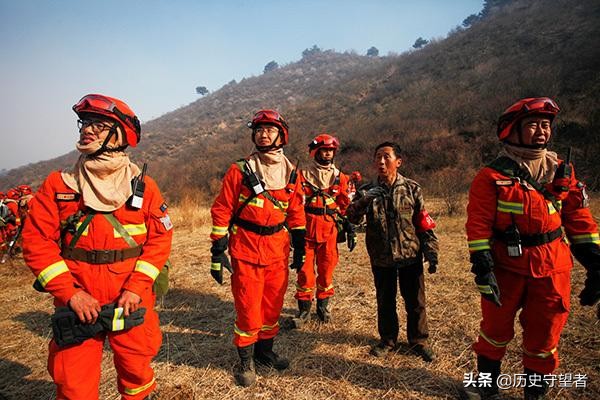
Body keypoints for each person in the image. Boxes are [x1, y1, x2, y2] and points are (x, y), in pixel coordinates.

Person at [22, 93, 173, 400]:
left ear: (120, 135)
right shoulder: (59, 186)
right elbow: (37, 242)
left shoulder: (143, 187)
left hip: (129, 298)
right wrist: (71, 294)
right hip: (78, 301)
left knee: (137, 372)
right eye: (85, 123)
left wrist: (137, 286)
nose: (87, 130)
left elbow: (160, 239)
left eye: (99, 125)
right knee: (73, 385)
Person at [464, 97, 600, 399]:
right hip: (506, 266)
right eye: (533, 125)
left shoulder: (563, 172)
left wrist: (595, 263)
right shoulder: (492, 176)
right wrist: (483, 266)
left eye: (546, 125)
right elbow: (478, 224)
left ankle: (534, 394)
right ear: (512, 130)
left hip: (553, 267)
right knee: (494, 331)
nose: (541, 131)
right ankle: (488, 389)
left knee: (545, 333)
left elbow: (578, 217)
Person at [209, 109, 306, 387]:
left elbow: (296, 211)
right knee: (249, 308)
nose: (263, 134)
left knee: (272, 305)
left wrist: (299, 246)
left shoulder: (291, 172)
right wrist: (218, 247)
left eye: (270, 130)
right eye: (259, 130)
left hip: (278, 249)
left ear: (281, 135)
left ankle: (265, 353)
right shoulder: (240, 170)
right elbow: (222, 208)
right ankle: (245, 361)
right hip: (246, 249)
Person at [346, 141, 439, 362]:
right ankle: (387, 340)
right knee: (385, 300)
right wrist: (364, 201)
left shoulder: (412, 189)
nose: (381, 161)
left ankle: (419, 341)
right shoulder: (366, 190)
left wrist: (431, 251)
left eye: (386, 156)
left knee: (415, 302)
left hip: (409, 255)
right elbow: (351, 217)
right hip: (381, 257)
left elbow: (423, 222)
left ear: (398, 162)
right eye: (378, 157)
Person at [292, 133, 353, 327]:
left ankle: (323, 307)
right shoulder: (302, 175)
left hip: (329, 231)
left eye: (330, 151)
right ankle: (303, 311)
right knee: (304, 273)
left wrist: (349, 225)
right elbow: (294, 204)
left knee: (326, 272)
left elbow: (345, 205)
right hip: (306, 231)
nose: (327, 154)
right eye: (324, 150)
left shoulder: (340, 177)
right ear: (316, 152)